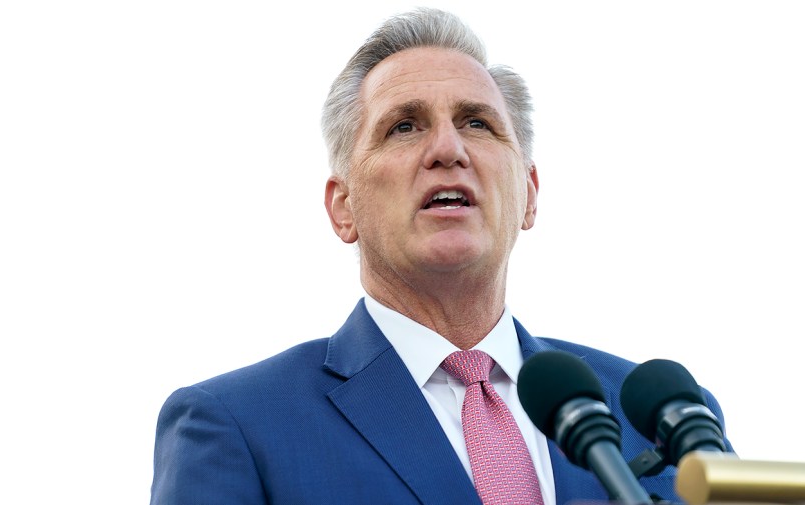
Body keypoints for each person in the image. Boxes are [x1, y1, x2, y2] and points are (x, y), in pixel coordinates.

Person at [149, 7, 731, 505]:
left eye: (477, 122)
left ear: (529, 194)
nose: (448, 149)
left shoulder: (666, 419)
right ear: (343, 206)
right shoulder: (235, 424)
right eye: (404, 127)